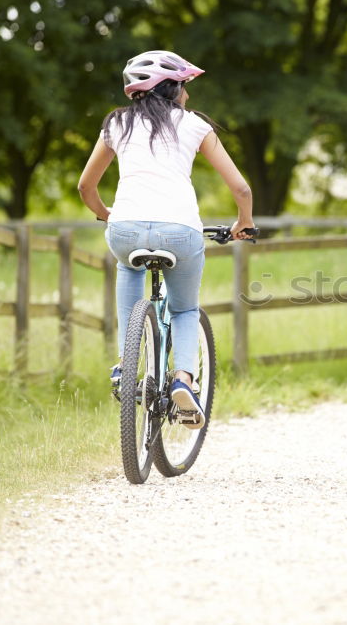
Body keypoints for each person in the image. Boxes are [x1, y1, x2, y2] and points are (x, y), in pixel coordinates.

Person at [77, 50, 255, 429]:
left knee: (128, 269)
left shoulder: (117, 125)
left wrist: (108, 215)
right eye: (185, 87)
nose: (188, 96)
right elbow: (240, 187)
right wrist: (244, 222)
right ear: (172, 89)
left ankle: (126, 365)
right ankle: (184, 381)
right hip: (180, 232)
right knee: (185, 309)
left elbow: (85, 185)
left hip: (125, 229)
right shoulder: (193, 125)